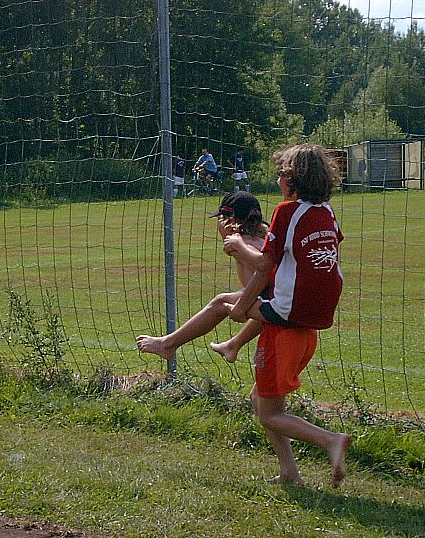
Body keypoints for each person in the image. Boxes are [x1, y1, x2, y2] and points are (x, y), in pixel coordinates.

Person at [139, 144, 350, 487]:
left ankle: (330, 440)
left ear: (293, 180)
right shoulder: (325, 211)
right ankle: (289, 472)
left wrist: (236, 249)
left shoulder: (285, 214)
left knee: (269, 411)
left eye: (281, 175)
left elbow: (264, 270)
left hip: (288, 323)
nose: (278, 181)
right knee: (259, 397)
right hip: (313, 316)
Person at [136, 191, 267, 361]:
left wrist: (240, 307)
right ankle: (232, 345)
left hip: (283, 308)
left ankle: (168, 345)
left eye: (220, 219)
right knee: (227, 300)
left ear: (230, 221)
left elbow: (264, 277)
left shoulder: (240, 245)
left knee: (222, 304)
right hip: (285, 303)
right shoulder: (262, 239)